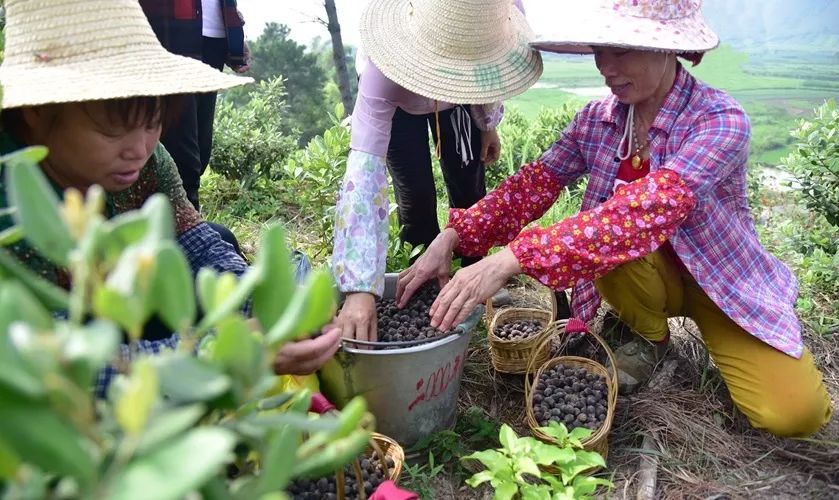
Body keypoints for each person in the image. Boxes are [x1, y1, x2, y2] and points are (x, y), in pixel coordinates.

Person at [397, 0, 832, 437]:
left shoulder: (718, 121)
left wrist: (512, 257)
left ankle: (706, 329)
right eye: (598, 50)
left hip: (720, 282)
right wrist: (455, 234)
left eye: (621, 50)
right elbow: (535, 182)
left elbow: (645, 211)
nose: (605, 66)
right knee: (608, 249)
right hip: (644, 278)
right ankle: (648, 335)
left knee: (795, 414)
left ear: (668, 49)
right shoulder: (598, 120)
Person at [0, 0, 340, 391]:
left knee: (219, 238)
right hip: (44, 361)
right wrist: (215, 354)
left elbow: (194, 243)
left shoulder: (147, 161)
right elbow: (53, 367)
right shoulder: (10, 199)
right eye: (113, 131)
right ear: (35, 112)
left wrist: (273, 309)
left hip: (119, 308)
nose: (140, 149)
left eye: (153, 122)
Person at [333, 0, 543, 342]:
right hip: (402, 97)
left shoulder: (492, 15)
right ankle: (424, 282)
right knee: (415, 194)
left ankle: (474, 272)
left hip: (461, 98)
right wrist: (359, 287)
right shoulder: (383, 69)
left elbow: (488, 70)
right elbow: (364, 172)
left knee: (468, 183)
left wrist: (487, 124)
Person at [139, 0, 250, 213]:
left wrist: (232, 32)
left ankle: (185, 224)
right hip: (169, 34)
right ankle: (184, 231)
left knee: (201, 148)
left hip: (212, 37)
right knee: (182, 151)